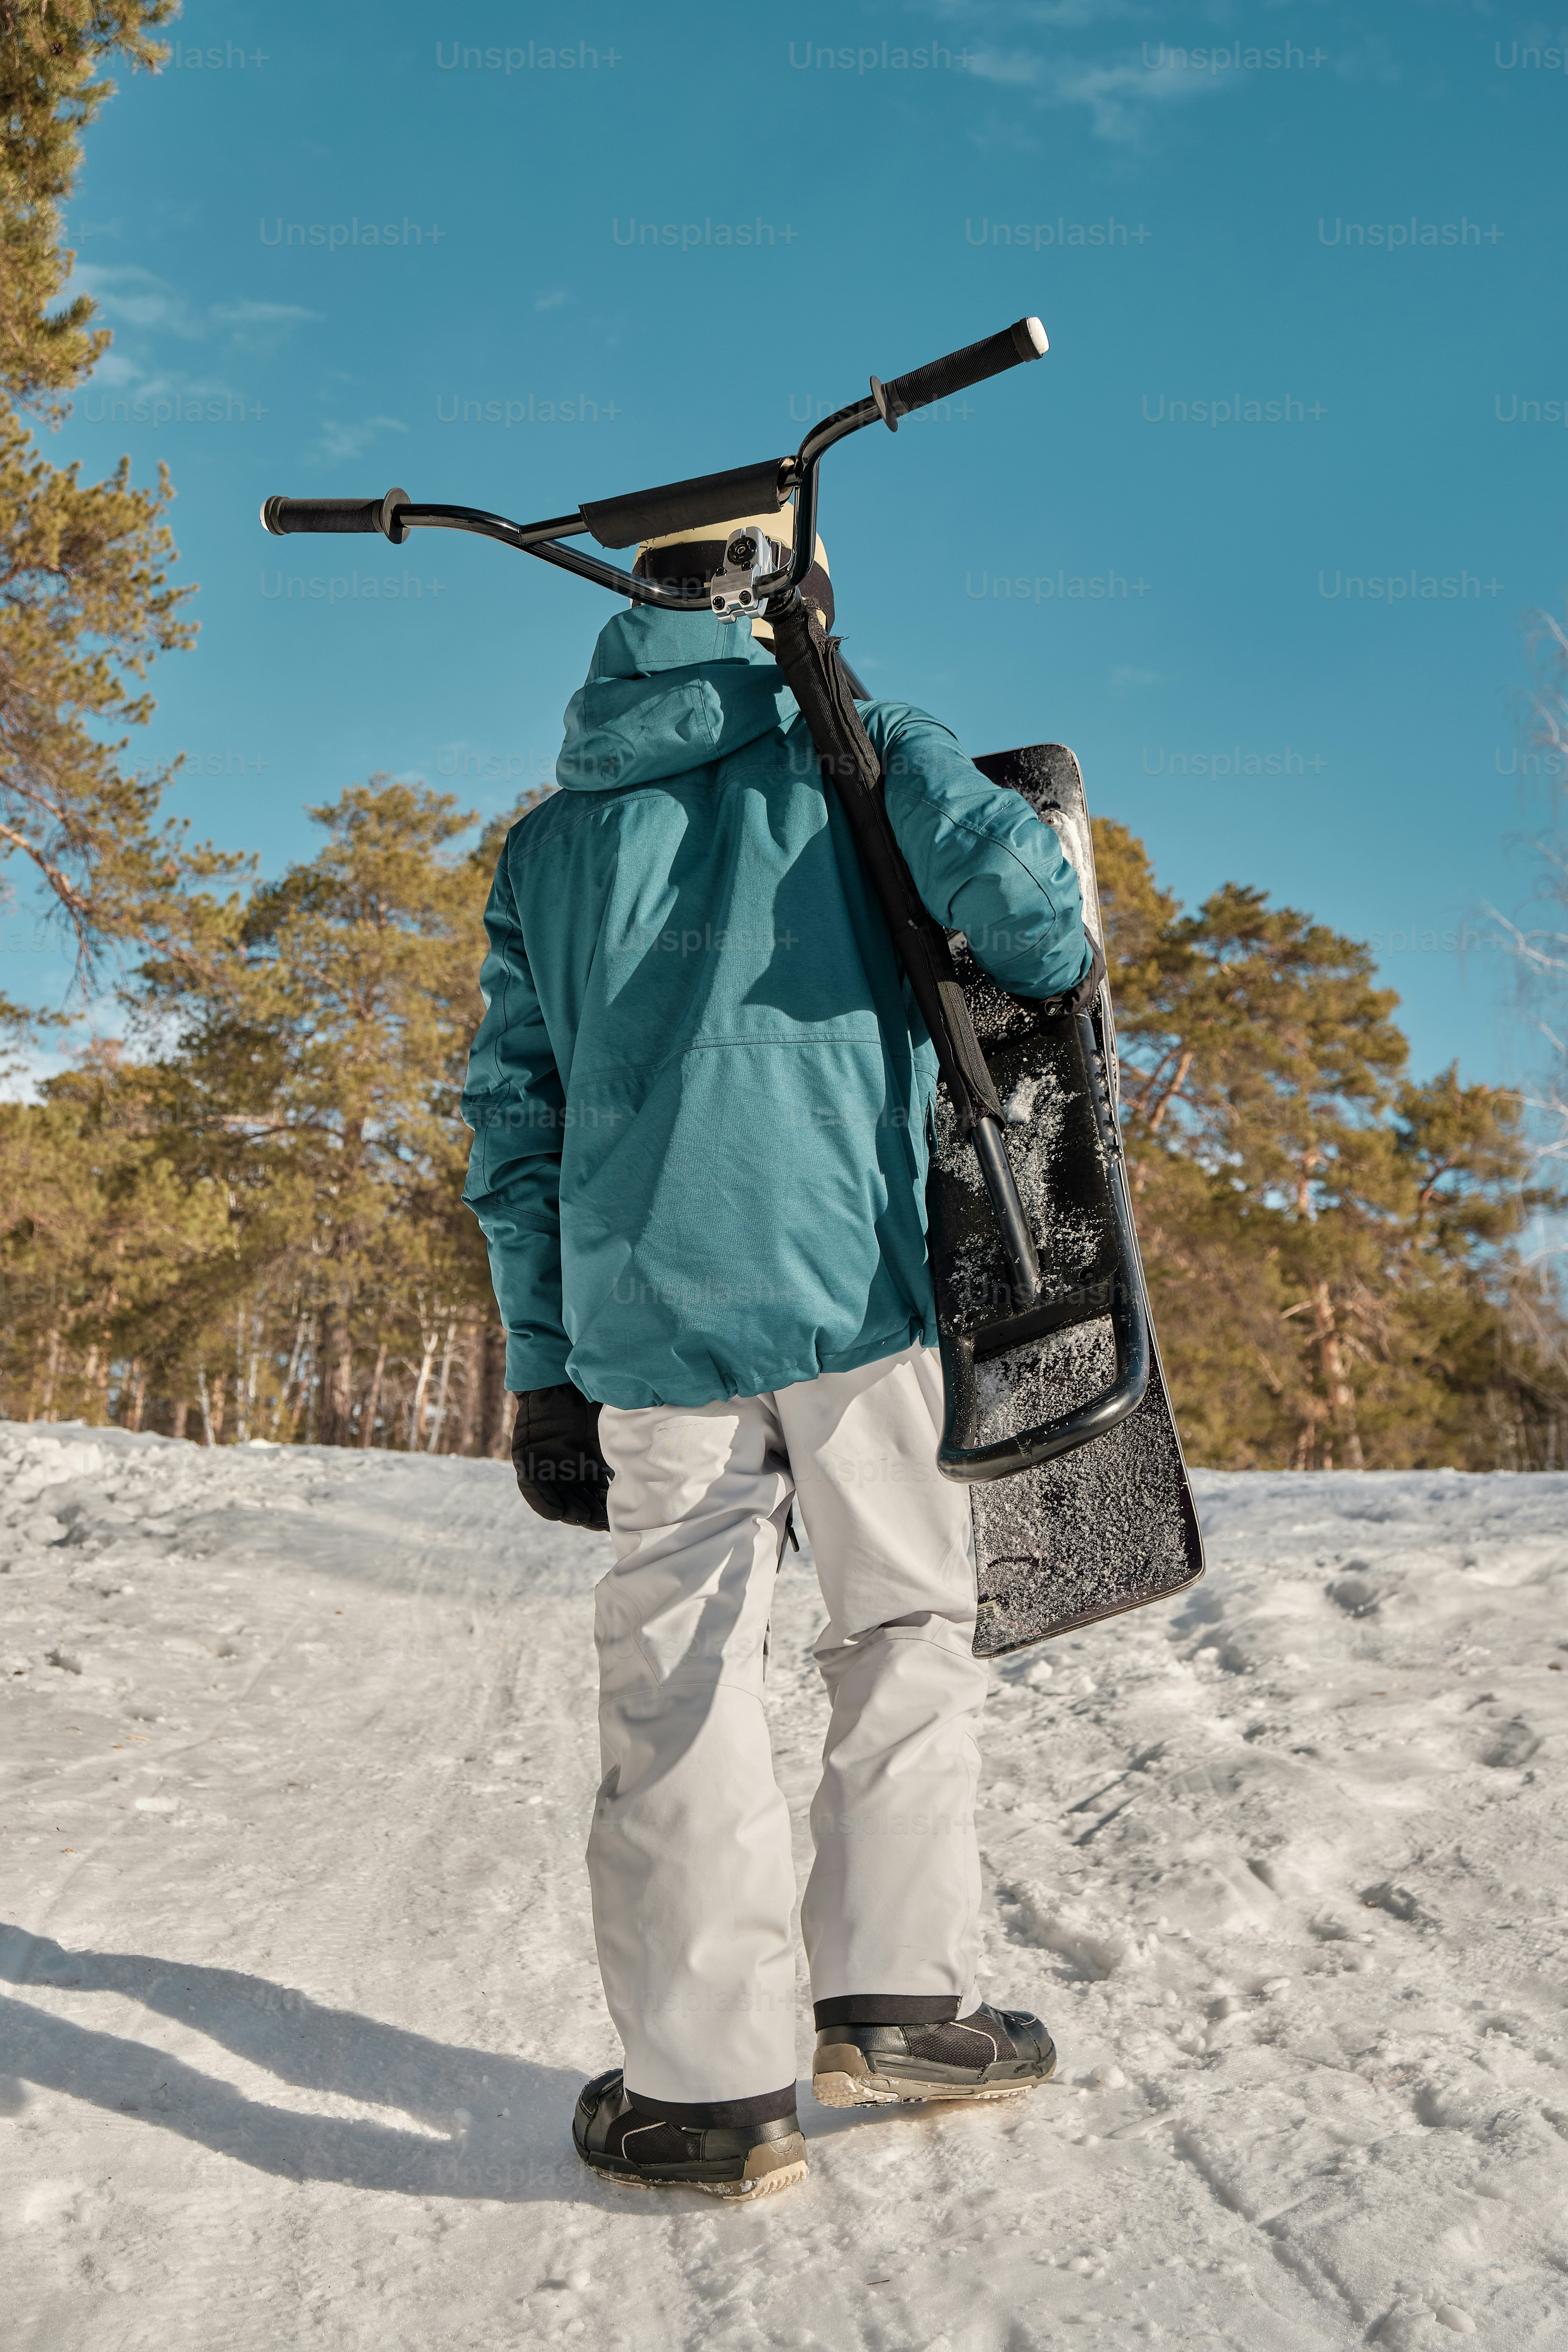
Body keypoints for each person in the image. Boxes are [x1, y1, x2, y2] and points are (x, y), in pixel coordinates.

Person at [460, 506, 1092, 2199]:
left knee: (679, 1680)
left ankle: (708, 2095)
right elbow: (1045, 935)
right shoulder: (862, 750)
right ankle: (897, 1996)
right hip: (855, 1290)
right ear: (791, 593)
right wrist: (882, 733)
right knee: (900, 1620)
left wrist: (543, 1366)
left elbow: (512, 1124)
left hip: (649, 1328)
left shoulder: (544, 852)